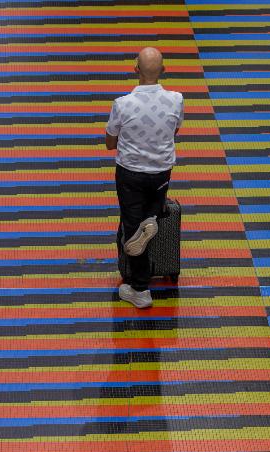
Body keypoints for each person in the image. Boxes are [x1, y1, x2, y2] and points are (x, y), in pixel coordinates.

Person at [105, 47, 184, 309]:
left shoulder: (123, 104)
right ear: (164, 69)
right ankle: (150, 218)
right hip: (161, 172)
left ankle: (139, 289)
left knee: (132, 226)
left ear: (135, 68)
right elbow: (174, 131)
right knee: (151, 212)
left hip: (130, 173)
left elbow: (109, 142)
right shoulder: (176, 99)